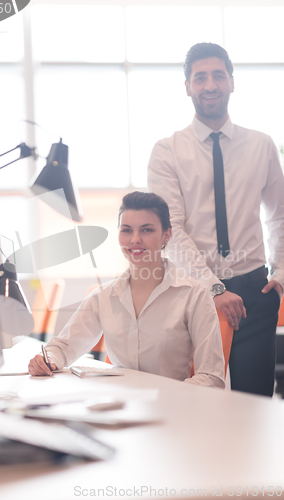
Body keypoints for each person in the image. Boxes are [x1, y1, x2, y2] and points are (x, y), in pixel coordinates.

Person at [147, 42, 284, 397]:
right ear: (188, 87)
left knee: (254, 405)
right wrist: (214, 288)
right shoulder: (167, 151)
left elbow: (279, 213)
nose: (210, 85)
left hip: (255, 292)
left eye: (218, 76)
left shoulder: (261, 145)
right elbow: (170, 232)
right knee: (195, 402)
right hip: (193, 294)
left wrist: (281, 270)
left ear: (232, 82)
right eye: (200, 77)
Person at [28, 191, 225, 388]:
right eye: (127, 230)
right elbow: (63, 347)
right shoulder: (103, 296)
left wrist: (170, 397)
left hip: (171, 408)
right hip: (118, 406)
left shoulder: (194, 295)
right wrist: (47, 360)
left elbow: (211, 377)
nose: (135, 239)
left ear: (167, 235)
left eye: (146, 230)